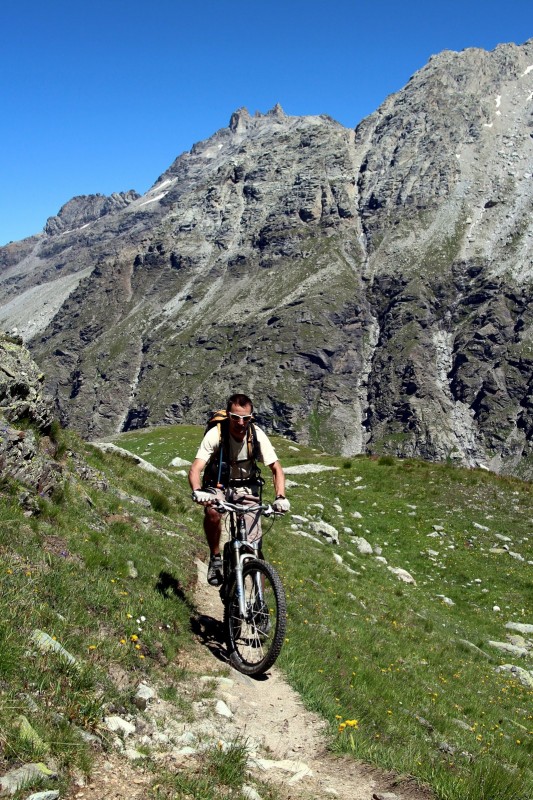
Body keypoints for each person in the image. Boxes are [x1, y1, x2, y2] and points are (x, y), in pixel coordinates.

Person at [188, 393, 290, 586]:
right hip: (219, 485)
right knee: (212, 512)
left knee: (254, 549)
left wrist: (280, 497)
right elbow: (195, 469)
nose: (240, 422)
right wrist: (198, 491)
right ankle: (216, 558)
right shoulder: (216, 433)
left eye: (245, 418)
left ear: (251, 417)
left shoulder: (257, 435)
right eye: (235, 417)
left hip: (247, 488)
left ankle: (256, 596)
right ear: (228, 415)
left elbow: (276, 469)